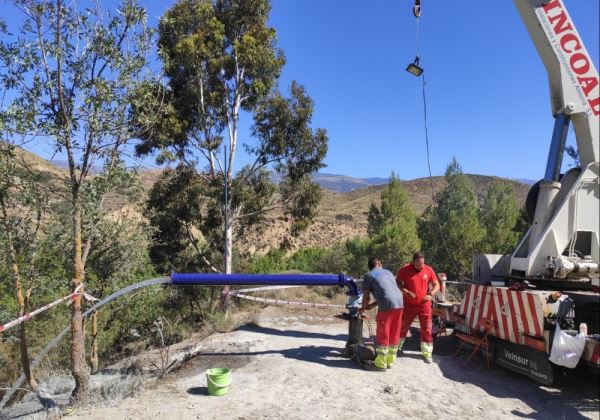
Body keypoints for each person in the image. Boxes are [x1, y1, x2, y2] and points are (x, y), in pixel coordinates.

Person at [359, 257, 404, 370]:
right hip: (399, 302)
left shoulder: (369, 275)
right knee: (394, 332)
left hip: (387, 306)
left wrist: (362, 309)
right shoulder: (388, 272)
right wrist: (372, 306)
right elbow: (387, 293)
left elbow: (366, 296)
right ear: (379, 264)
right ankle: (389, 361)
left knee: (383, 332)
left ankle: (380, 364)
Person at [396, 252, 440, 363]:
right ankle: (397, 348)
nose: (420, 267)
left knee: (427, 328)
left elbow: (437, 284)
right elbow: (397, 282)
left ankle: (427, 353)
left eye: (422, 264)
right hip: (409, 304)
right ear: (413, 261)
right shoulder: (404, 269)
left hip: (424, 305)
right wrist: (404, 290)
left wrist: (431, 294)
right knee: (403, 326)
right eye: (418, 264)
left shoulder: (429, 270)